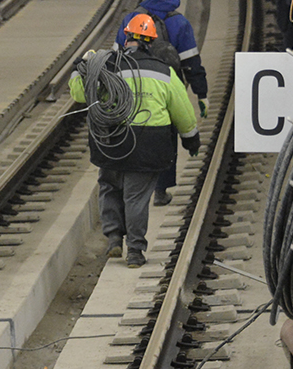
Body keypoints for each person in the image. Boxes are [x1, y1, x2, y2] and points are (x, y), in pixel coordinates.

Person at [71, 14, 200, 268]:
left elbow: (79, 93)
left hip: (111, 140)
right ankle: (135, 252)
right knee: (136, 197)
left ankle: (114, 239)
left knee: (109, 185)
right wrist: (190, 139)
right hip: (149, 144)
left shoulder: (107, 68)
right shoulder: (165, 72)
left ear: (126, 39)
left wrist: (78, 68)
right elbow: (182, 111)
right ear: (151, 42)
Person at [114, 0, 209, 206]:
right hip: (168, 86)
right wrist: (201, 93)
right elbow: (191, 62)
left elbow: (115, 57)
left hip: (133, 86)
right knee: (166, 136)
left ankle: (136, 188)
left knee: (135, 133)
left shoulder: (131, 19)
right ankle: (160, 190)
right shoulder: (179, 22)